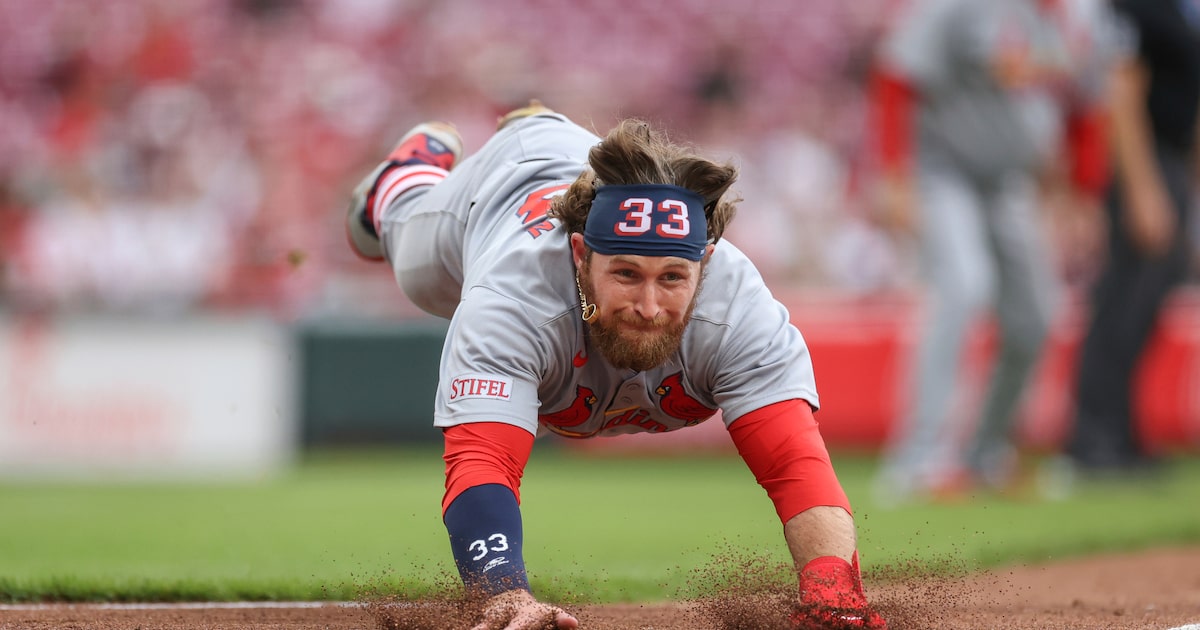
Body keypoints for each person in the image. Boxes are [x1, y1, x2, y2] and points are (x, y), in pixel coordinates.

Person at [344, 102, 887, 629]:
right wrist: (503, 593)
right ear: (580, 255)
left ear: (705, 263)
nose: (649, 307)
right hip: (503, 187)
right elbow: (483, 462)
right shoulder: (511, 299)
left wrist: (833, 597)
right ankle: (408, 173)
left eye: (672, 278)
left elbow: (795, 467)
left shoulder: (740, 310)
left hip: (582, 187)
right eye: (626, 274)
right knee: (395, 241)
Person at [868, 0, 1110, 502]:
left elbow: (1088, 106)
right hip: (943, 172)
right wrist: (894, 174)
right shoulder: (961, 6)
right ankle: (916, 461)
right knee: (962, 287)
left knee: (1037, 315)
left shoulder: (1084, 17)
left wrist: (1085, 191)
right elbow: (896, 75)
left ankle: (986, 455)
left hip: (1010, 183)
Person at [1065, 0, 1199, 476]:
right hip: (1143, 163)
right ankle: (1093, 438)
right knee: (1122, 300)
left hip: (1170, 162)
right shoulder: (1134, 6)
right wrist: (1143, 187)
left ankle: (1122, 434)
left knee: (1145, 303)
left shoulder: (1171, 10)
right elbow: (1121, 88)